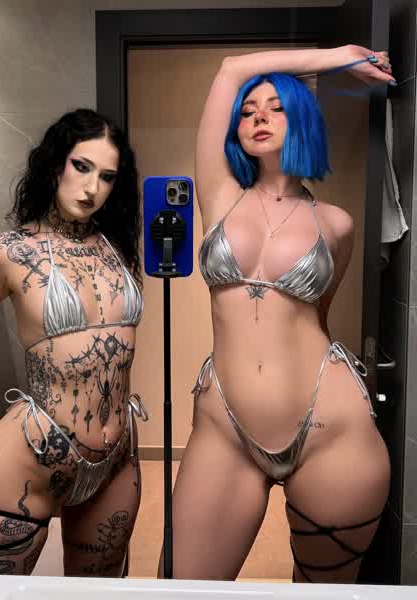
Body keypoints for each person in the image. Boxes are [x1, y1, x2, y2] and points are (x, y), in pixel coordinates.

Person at [162, 45, 394, 583]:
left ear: (302, 120)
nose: (258, 117)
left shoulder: (336, 224)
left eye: (276, 107)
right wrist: (339, 57)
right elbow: (231, 69)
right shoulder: (220, 195)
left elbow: (317, 316)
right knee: (180, 588)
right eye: (247, 111)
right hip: (226, 427)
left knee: (322, 595)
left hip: (331, 428)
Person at [0, 108, 147, 576]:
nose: (92, 187)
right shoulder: (8, 252)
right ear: (56, 163)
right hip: (31, 456)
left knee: (98, 593)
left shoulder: (117, 248)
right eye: (82, 166)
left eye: (107, 176)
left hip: (116, 460)